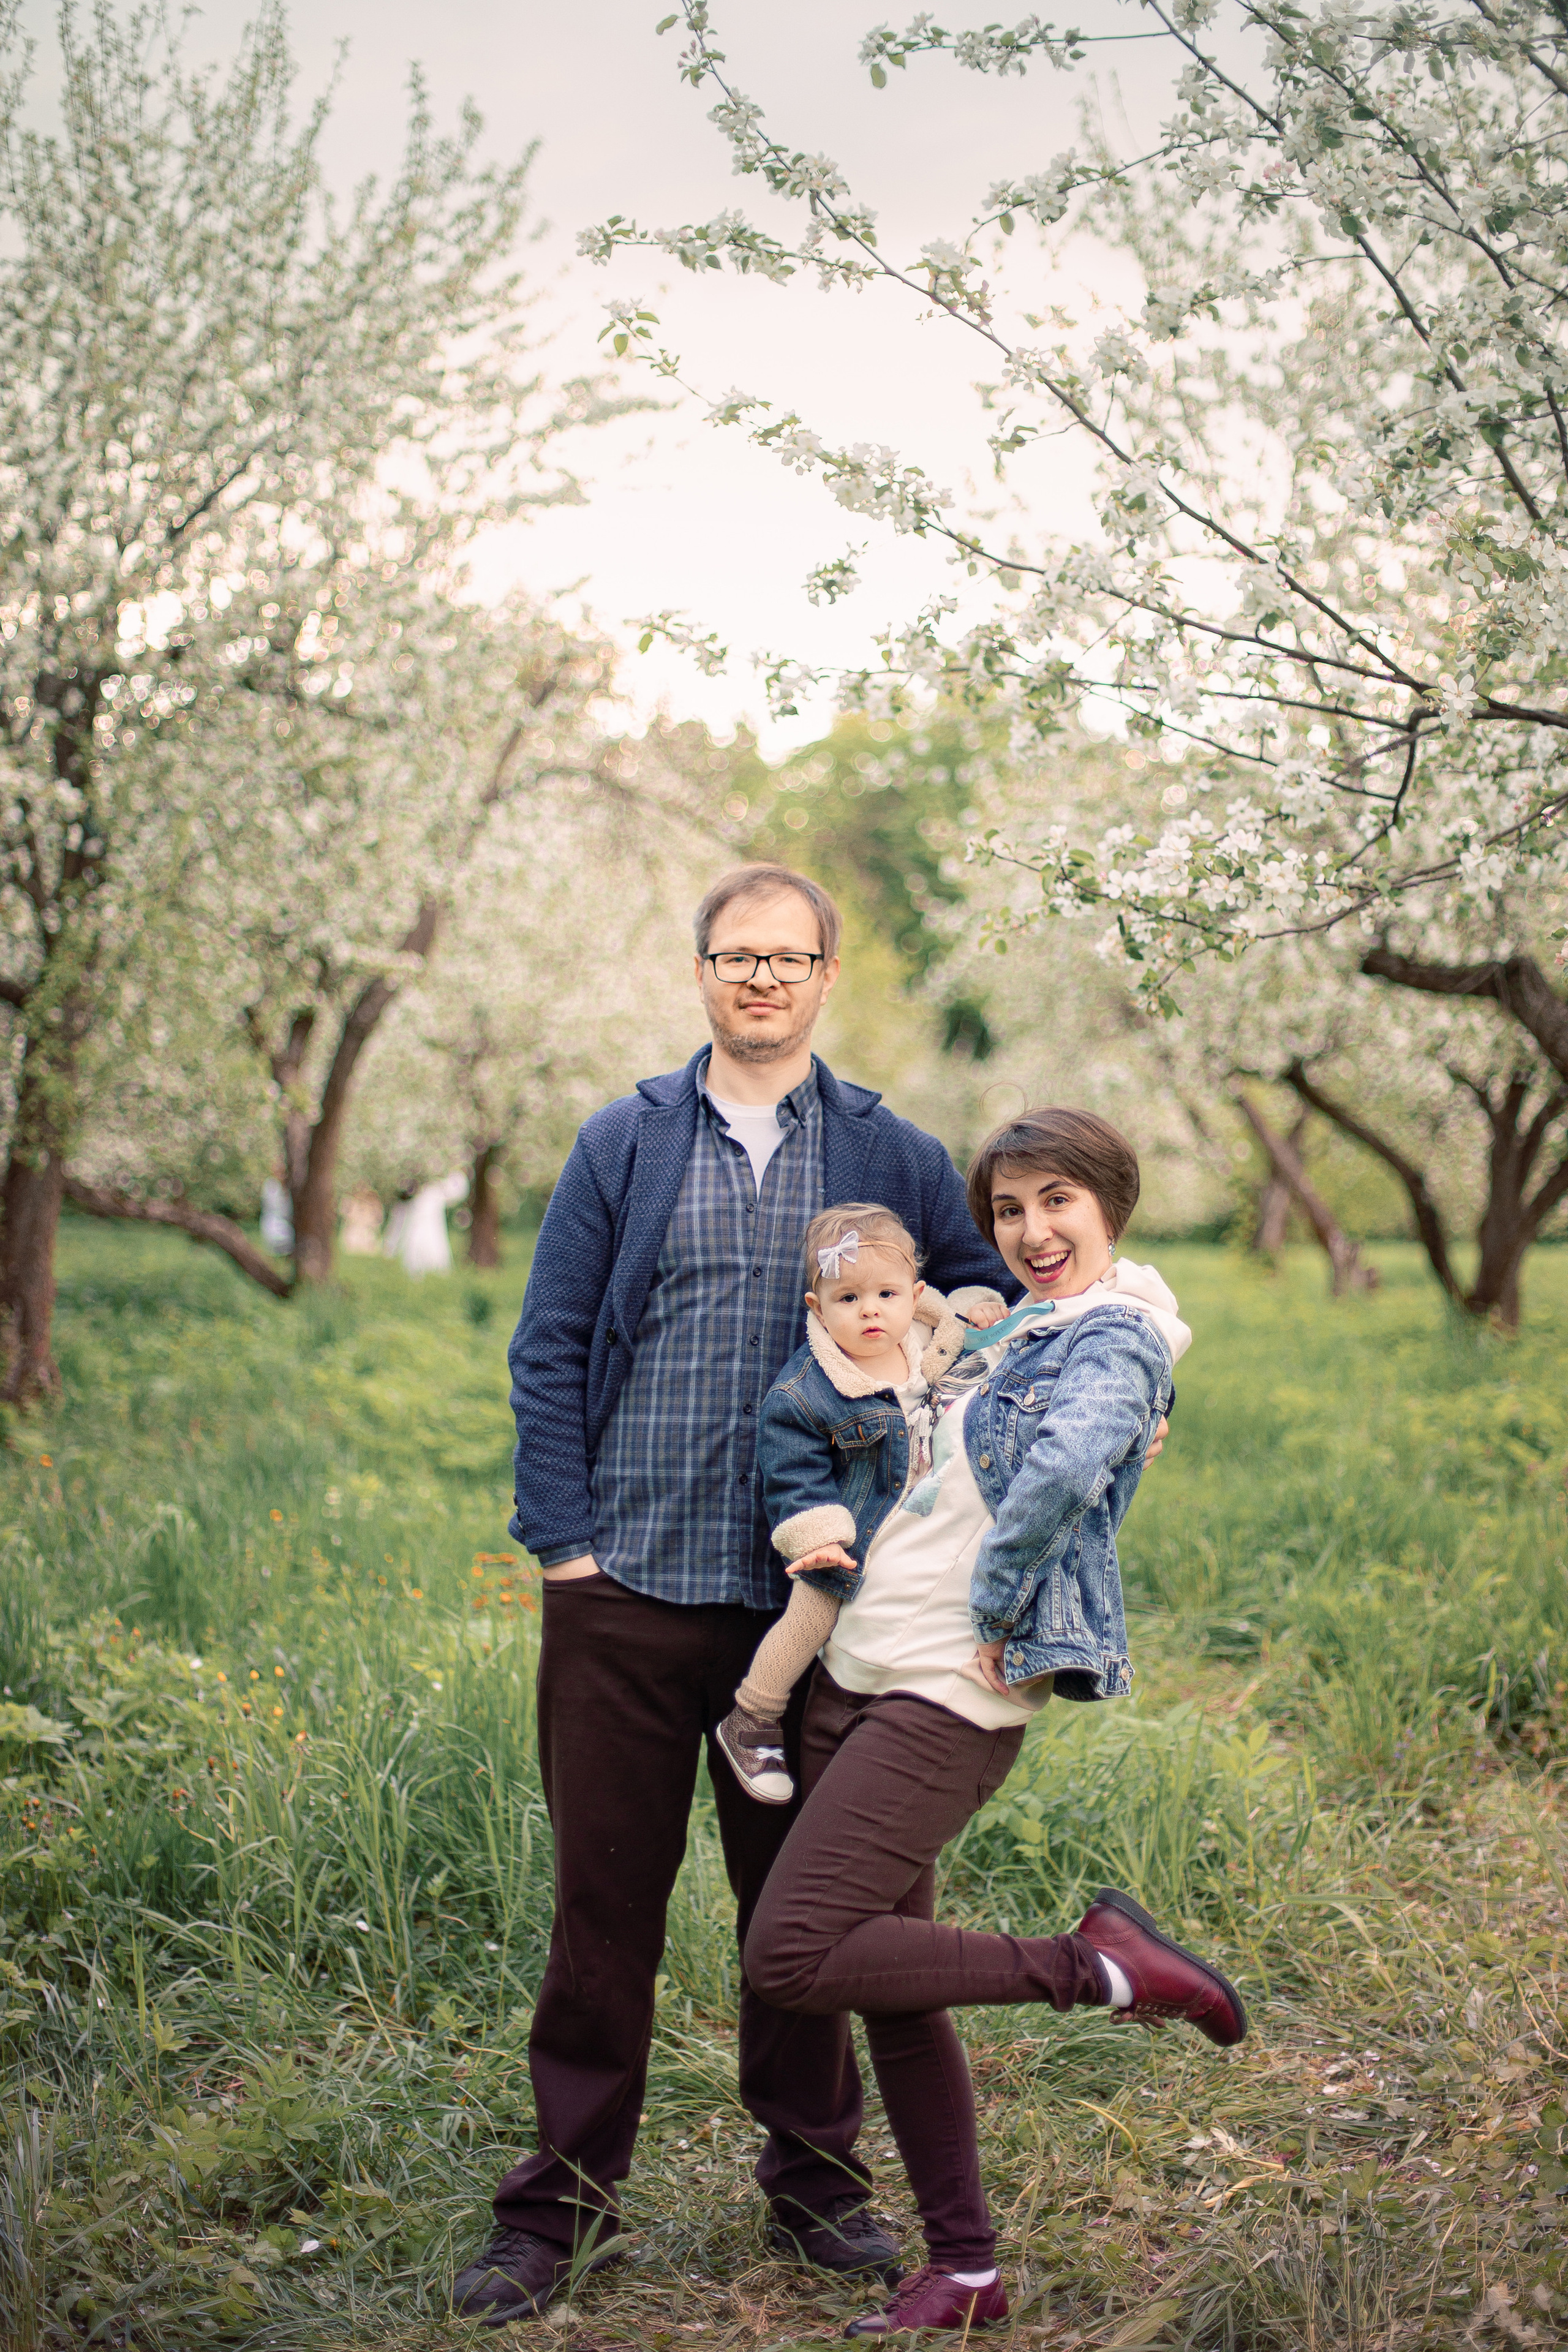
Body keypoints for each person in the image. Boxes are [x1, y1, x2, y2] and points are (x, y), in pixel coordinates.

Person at [451, 864, 1102, 2328]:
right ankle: (558, 2202)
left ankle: (814, 2182)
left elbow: (993, 1297)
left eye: (786, 956)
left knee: (800, 1910)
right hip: (621, 1590)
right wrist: (560, 1541)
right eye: (734, 956)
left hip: (814, 1616)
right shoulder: (623, 1140)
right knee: (600, 1913)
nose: (760, 979)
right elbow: (550, 1341)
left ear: (824, 972)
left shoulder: (889, 1145)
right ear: (700, 971)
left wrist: (1080, 1376)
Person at [741, 1107, 1243, 2340]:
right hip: (857, 1668)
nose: (1030, 1232)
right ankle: (964, 2268)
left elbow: (1068, 1466)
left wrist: (1003, 1589)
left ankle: (1101, 1970)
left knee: (792, 1954)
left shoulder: (1118, 1334)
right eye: (1007, 1211)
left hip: (946, 1690)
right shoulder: (1015, 1323)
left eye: (1055, 1203)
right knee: (892, 1987)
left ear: (1108, 1207)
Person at [713, 1202, 987, 1804]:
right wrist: (819, 1540)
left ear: (915, 1296)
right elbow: (791, 1476)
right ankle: (753, 1717)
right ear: (817, 1307)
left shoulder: (933, 1344)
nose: (870, 1311)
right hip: (853, 1533)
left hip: (930, 1521)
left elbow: (984, 1336)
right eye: (847, 1299)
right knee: (815, 1610)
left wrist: (976, 1304)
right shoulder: (805, 1391)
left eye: (887, 1294)